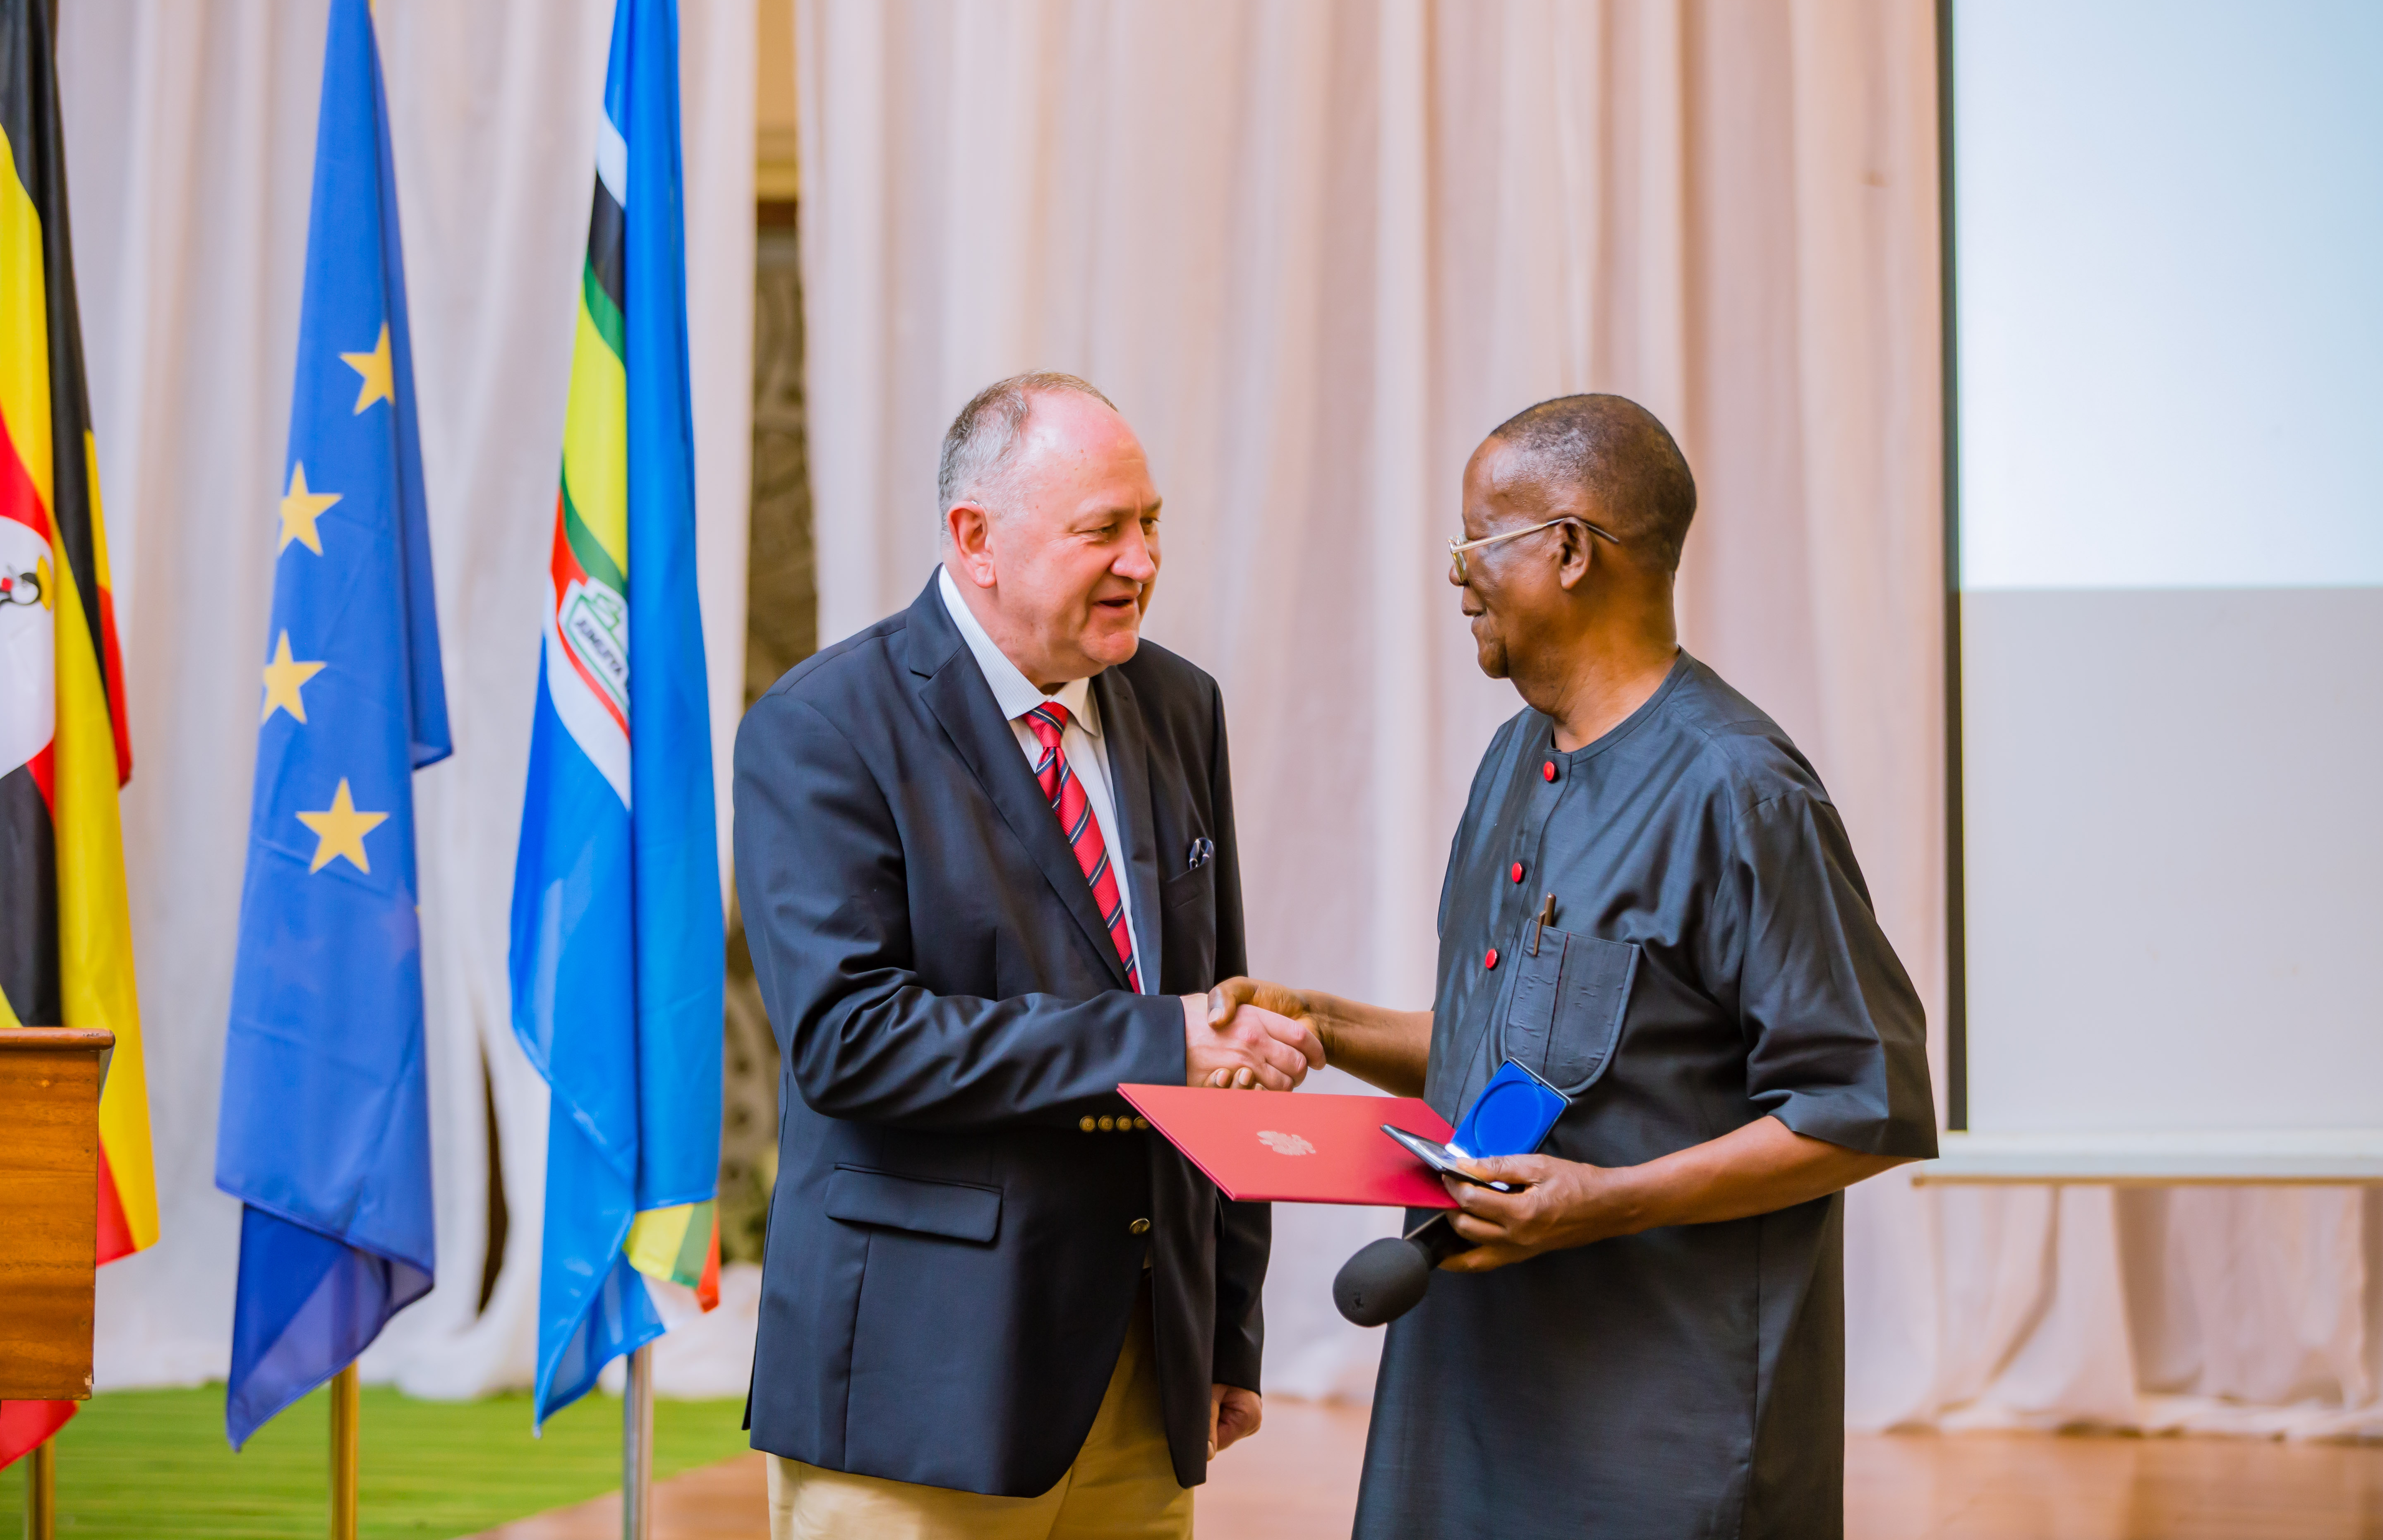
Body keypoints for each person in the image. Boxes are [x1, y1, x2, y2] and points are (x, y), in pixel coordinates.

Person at [1219, 394, 1937, 1539]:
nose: (1456, 576)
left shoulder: (1741, 790)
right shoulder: (1514, 758)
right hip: (1467, 1397)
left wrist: (1608, 1204)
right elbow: (1515, 1045)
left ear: (1567, 549)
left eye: (1476, 542)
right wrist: (1324, 1022)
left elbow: (1861, 1107)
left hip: (1661, 1435)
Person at [734, 371, 1324, 1539]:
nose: (1143, 561)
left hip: (1145, 1379)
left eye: (1151, 522)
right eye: (1103, 530)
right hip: (920, 1389)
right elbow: (851, 1044)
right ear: (977, 540)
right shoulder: (822, 727)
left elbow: (1220, 1019)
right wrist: (1160, 1043)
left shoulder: (1179, 705)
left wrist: (1226, 1327)